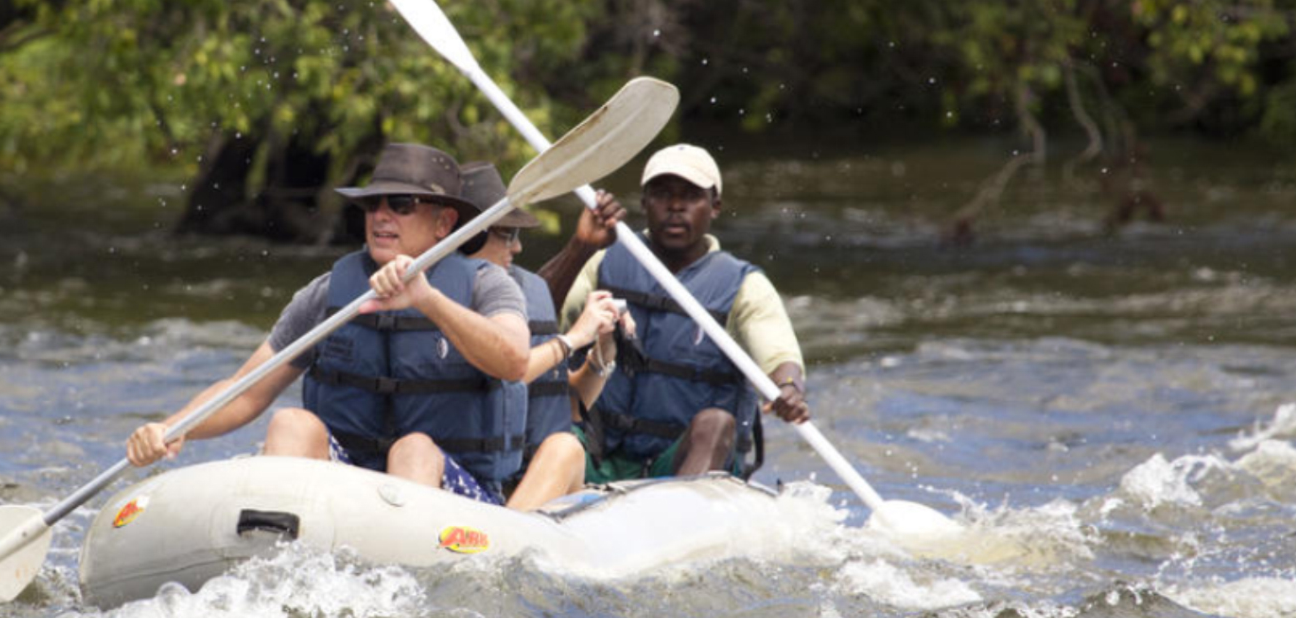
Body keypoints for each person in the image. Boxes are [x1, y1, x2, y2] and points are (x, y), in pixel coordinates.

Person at [126, 143, 531, 504]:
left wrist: (428, 300)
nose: (382, 216)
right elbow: (245, 390)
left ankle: (400, 570)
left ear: (443, 224)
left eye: (401, 204)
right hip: (351, 484)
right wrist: (175, 427)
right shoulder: (328, 295)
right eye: (374, 204)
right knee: (292, 423)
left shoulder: (487, 285)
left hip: (457, 494)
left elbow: (514, 361)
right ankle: (273, 555)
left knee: (414, 449)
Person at [541, 144, 809, 482]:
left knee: (716, 422)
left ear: (715, 206)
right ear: (644, 203)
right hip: (600, 452)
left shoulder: (745, 285)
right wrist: (581, 246)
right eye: (662, 194)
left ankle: (680, 515)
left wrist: (788, 389)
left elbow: (781, 358)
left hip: (684, 462)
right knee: (552, 430)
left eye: (691, 196)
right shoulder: (603, 261)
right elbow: (535, 322)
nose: (676, 206)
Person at [455, 162, 625, 510]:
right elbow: (504, 372)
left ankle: (507, 537)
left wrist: (602, 348)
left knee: (565, 446)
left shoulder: (517, 295)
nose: (516, 248)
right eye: (508, 234)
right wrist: (573, 338)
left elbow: (569, 400)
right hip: (460, 479)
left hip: (526, 478)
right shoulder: (434, 304)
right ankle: (502, 544)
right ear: (466, 236)